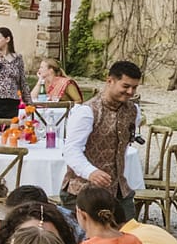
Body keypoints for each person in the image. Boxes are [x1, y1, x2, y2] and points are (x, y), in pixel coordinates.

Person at [60, 59, 143, 226]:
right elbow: (71, 150)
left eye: (134, 87)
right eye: (126, 86)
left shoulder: (134, 111)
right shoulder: (86, 111)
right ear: (110, 81)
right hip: (82, 190)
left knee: (129, 234)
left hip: (119, 188)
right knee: (86, 243)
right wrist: (90, 172)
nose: (130, 92)